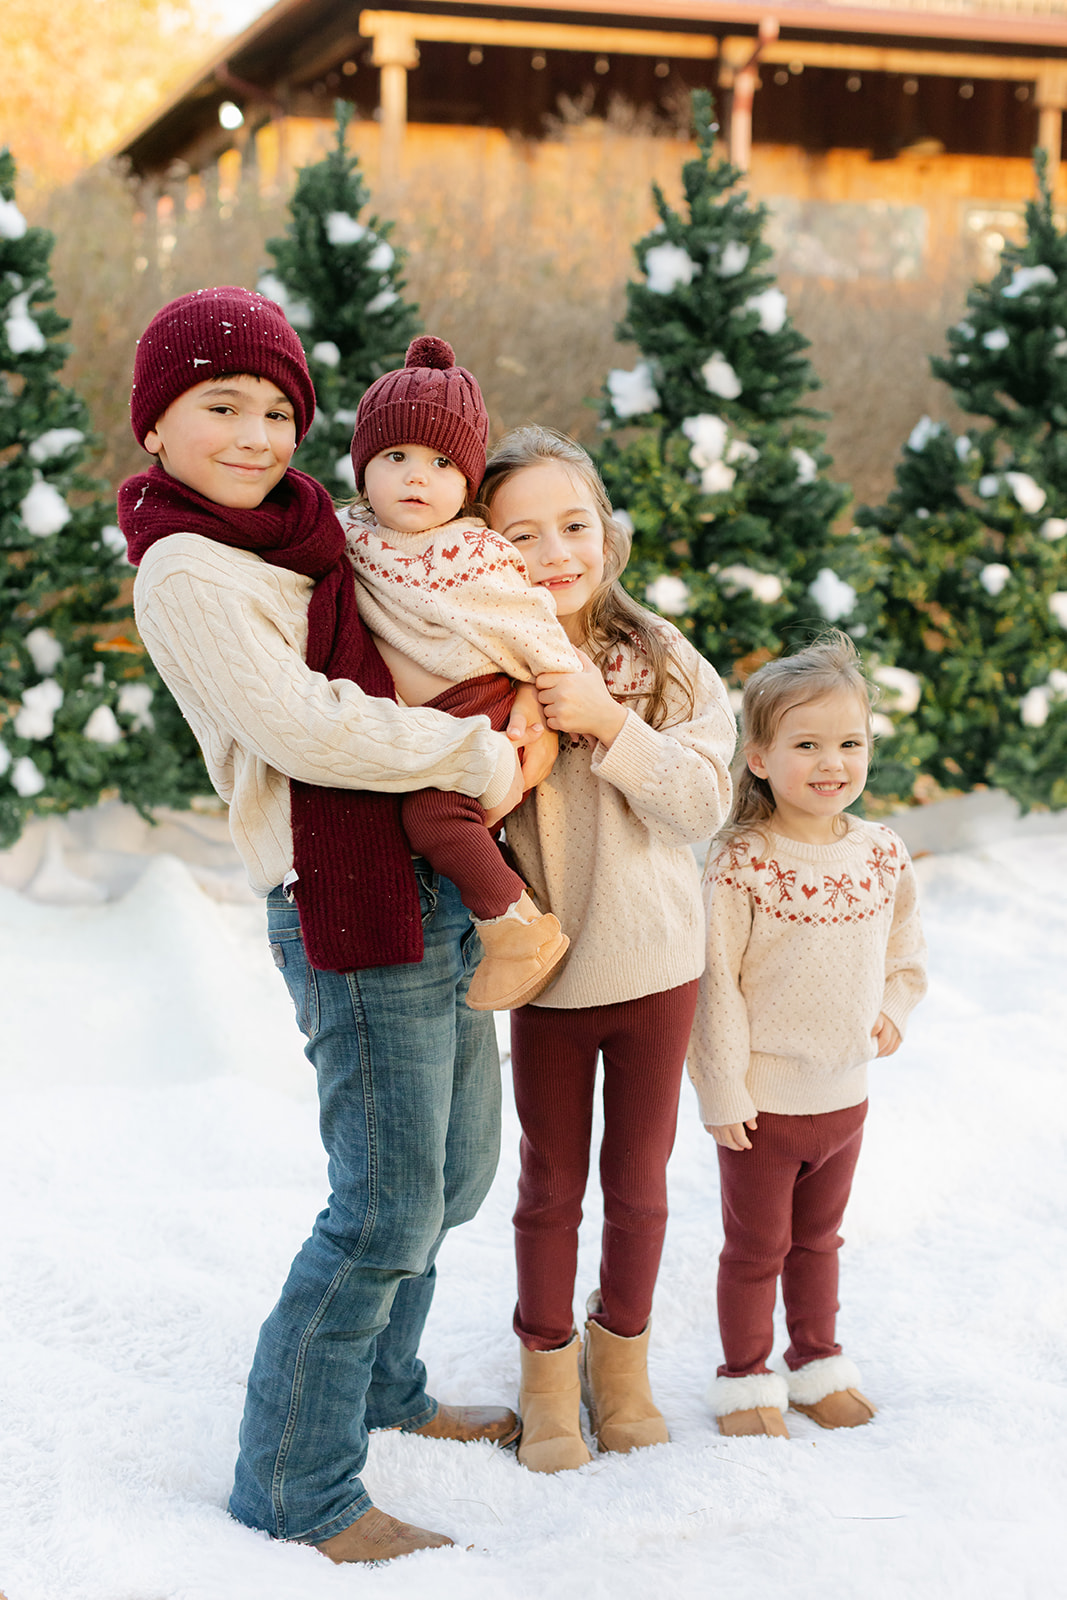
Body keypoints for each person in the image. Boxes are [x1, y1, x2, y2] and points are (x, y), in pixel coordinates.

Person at [117, 287, 548, 1565]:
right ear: (156, 426)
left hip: (430, 877)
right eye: (220, 407)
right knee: (378, 1206)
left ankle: (383, 1384)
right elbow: (304, 723)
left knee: (457, 1171)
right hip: (339, 889)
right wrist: (477, 753)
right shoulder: (190, 567)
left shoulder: (306, 534)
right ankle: (296, 1488)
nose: (253, 434)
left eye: (274, 410)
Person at [479, 426, 736, 1472]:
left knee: (637, 1181)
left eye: (573, 525)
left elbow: (704, 800)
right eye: (522, 534)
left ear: (607, 535)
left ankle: (616, 1365)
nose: (555, 552)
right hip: (548, 976)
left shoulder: (658, 657)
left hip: (657, 970)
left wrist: (606, 723)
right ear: (486, 550)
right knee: (549, 1184)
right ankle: (545, 1371)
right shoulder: (479, 657)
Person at [687, 632, 927, 1439]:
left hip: (845, 1095)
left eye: (849, 743)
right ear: (758, 757)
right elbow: (712, 981)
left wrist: (893, 1006)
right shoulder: (740, 862)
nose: (832, 762)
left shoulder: (880, 851)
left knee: (819, 1240)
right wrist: (721, 1086)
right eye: (806, 744)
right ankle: (746, 1378)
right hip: (763, 1105)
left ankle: (816, 1359)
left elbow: (905, 945)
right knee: (757, 1247)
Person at [343, 335, 583, 1010]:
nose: (417, 477)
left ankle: (517, 932)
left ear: (468, 483)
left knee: (433, 813)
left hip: (477, 699)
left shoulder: (475, 551)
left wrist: (537, 696)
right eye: (395, 457)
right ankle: (502, 911)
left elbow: (532, 625)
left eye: (442, 462)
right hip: (421, 716)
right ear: (363, 469)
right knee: (427, 811)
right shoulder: (349, 537)